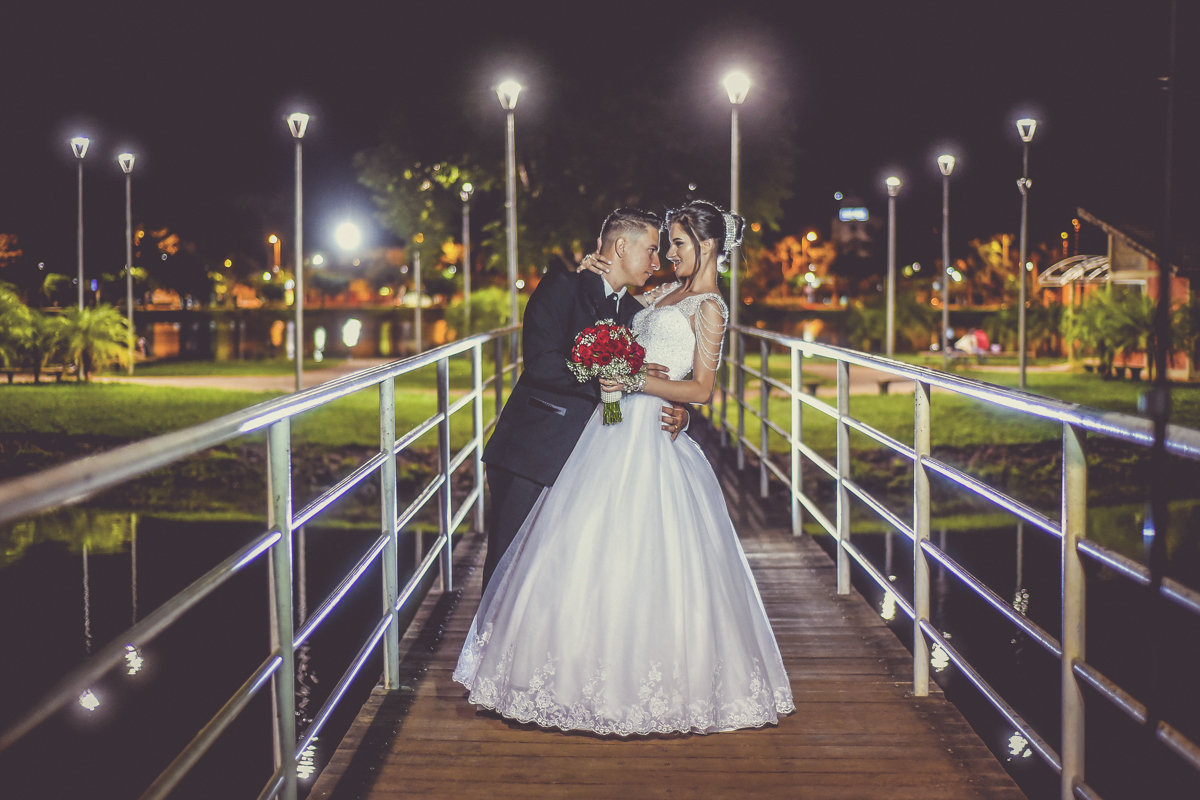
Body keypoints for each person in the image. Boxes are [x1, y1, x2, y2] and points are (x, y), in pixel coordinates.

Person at [455, 200, 794, 736]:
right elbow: (590, 343)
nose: (663, 257)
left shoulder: (707, 306)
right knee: (554, 550)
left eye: (675, 244)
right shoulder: (648, 296)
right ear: (619, 249)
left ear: (706, 247)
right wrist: (602, 295)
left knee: (636, 554)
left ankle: (629, 675)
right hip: (582, 435)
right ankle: (502, 670)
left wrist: (657, 391)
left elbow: (699, 386)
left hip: (637, 435)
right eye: (658, 246)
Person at [480, 208, 690, 590]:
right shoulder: (563, 285)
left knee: (558, 575)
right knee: (507, 566)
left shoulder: (634, 314)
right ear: (621, 246)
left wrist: (680, 413)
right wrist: (616, 380)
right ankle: (486, 647)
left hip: (594, 461)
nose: (657, 262)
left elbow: (655, 377)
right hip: (535, 447)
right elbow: (542, 364)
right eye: (651, 250)